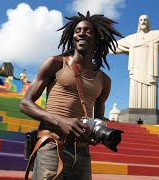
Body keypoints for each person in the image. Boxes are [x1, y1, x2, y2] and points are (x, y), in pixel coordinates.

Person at [20, 11, 123, 180]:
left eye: (88, 30)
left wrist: (97, 134)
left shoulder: (105, 80)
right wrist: (61, 121)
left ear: (97, 39)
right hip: (52, 146)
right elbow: (25, 103)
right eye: (77, 30)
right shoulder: (55, 63)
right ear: (72, 36)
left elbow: (98, 117)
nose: (81, 33)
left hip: (82, 152)